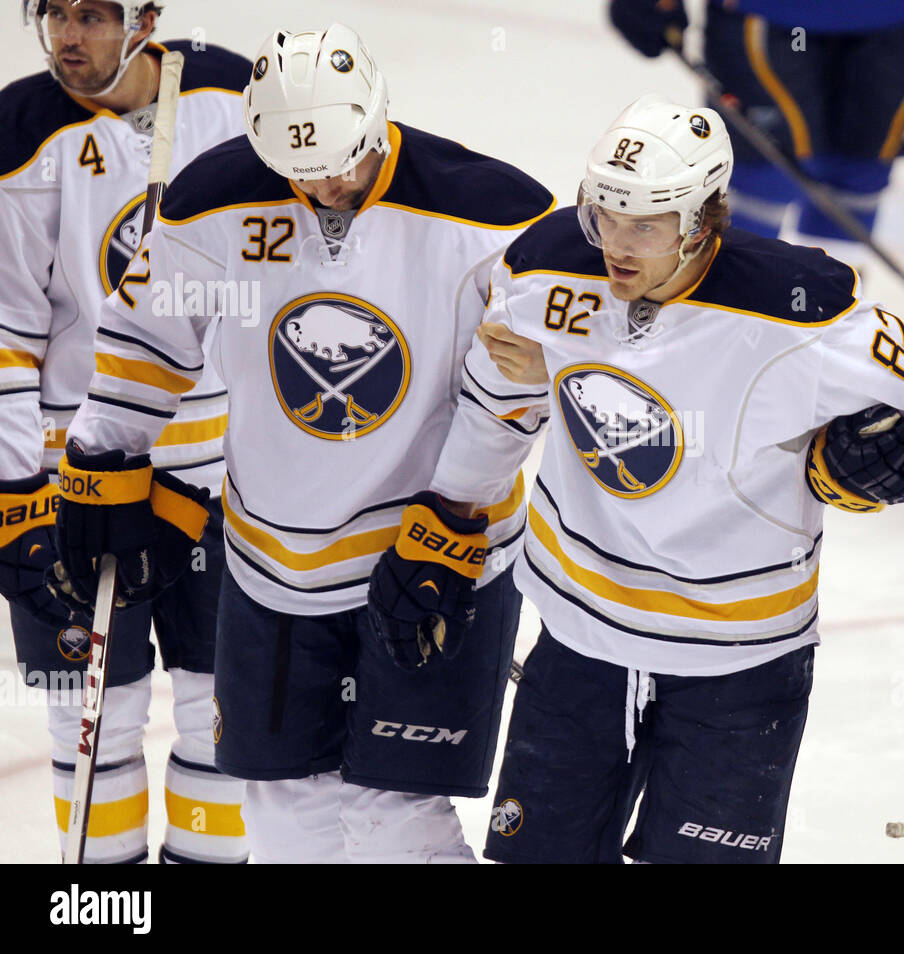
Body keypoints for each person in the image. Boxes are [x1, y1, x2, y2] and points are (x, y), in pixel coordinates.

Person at [429, 94, 904, 863]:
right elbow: (498, 402)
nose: (615, 243)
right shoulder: (545, 266)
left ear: (702, 218)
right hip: (580, 635)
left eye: (644, 224)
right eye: (602, 215)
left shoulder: (806, 314)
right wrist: (451, 514)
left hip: (741, 659)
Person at [50, 23, 555, 863]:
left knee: (397, 823)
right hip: (271, 563)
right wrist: (106, 454)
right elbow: (147, 334)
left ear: (374, 117)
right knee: (284, 818)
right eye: (297, 167)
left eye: (339, 161)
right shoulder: (214, 200)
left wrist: (453, 517)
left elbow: (513, 387)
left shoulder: (493, 215)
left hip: (432, 555)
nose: (320, 184)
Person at [0, 0, 250, 864]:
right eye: (54, 14)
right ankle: (102, 909)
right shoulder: (18, 130)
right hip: (78, 478)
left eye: (95, 15)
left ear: (146, 18)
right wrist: (15, 494)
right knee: (85, 714)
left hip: (221, 474)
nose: (70, 36)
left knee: (223, 710)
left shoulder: (236, 96)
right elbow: (5, 329)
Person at [608, 0, 904, 248]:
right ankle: (729, 320)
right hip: (763, 15)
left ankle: (828, 330)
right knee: (765, 179)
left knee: (859, 177)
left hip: (892, 19)